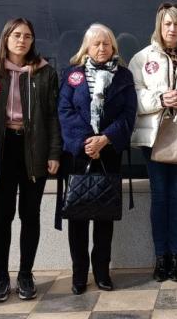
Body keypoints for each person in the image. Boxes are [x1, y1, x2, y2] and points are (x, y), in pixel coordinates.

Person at [0, 18, 60, 302]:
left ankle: (26, 274)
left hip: (33, 150)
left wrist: (53, 153)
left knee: (30, 214)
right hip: (3, 152)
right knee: (2, 215)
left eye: (27, 36)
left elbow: (53, 116)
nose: (22, 40)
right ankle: (1, 276)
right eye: (16, 35)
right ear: (5, 38)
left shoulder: (44, 73)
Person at [129, 3, 177, 282]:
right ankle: (160, 257)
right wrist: (160, 99)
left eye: (176, 24)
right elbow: (134, 95)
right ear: (159, 27)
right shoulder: (141, 58)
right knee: (160, 197)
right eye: (167, 24)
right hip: (154, 137)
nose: (172, 29)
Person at [58, 24, 137, 294]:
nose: (101, 48)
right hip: (79, 155)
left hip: (109, 153)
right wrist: (86, 142)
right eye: (96, 44)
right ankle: (79, 274)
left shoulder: (124, 77)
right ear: (86, 48)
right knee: (77, 217)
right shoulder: (73, 75)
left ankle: (102, 271)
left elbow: (129, 115)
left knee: (104, 215)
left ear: (113, 47)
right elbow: (65, 111)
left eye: (106, 44)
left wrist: (105, 139)